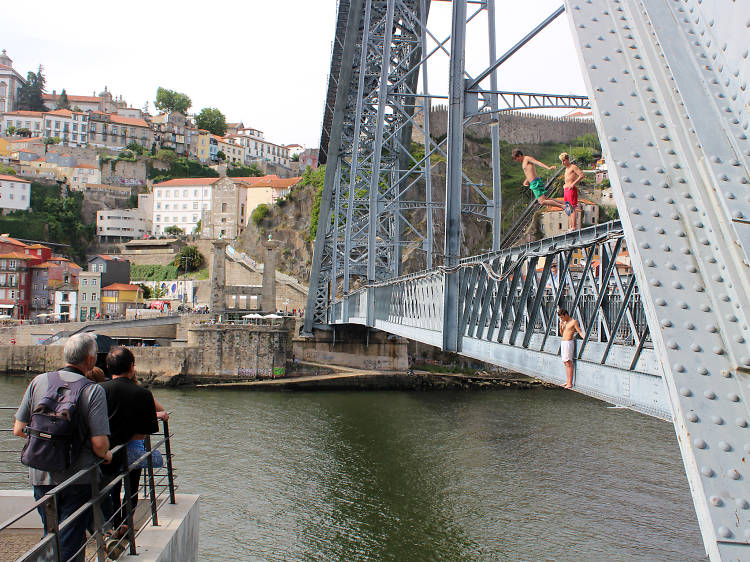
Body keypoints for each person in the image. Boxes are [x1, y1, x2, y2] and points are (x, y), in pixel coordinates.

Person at [13, 333, 112, 562]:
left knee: (52, 534)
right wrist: (106, 454)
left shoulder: (39, 381)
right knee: (69, 538)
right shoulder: (93, 390)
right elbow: (99, 444)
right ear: (90, 360)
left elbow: (19, 429)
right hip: (78, 478)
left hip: (40, 473)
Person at [100, 347, 160, 546]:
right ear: (132, 366)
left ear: (108, 367)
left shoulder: (98, 390)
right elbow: (146, 430)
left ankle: (115, 525)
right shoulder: (142, 394)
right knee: (132, 488)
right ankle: (126, 524)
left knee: (111, 489)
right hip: (131, 450)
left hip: (105, 450)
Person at [558, 308, 584, 389]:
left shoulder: (573, 322)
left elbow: (579, 331)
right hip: (563, 342)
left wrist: (584, 338)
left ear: (566, 315)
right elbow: (562, 334)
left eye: (562, 317)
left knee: (568, 362)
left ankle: (570, 383)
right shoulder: (565, 322)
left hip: (569, 343)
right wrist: (561, 326)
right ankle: (567, 381)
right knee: (565, 363)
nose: (561, 319)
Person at [559, 152, 585, 231]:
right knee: (568, 209)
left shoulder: (573, 167)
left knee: (572, 208)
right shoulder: (566, 169)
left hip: (571, 189)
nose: (562, 162)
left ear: (568, 159)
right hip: (566, 189)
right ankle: (570, 226)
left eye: (564, 161)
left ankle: (573, 227)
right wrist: (564, 185)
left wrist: (573, 184)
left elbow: (581, 175)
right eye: (562, 161)